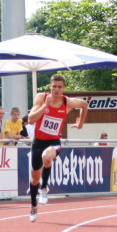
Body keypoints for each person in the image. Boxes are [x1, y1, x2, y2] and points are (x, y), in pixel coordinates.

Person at [28, 74, 88, 222]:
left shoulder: (67, 102)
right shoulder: (41, 98)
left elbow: (84, 104)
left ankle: (44, 188)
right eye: (54, 86)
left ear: (64, 88)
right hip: (38, 142)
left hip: (54, 141)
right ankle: (33, 206)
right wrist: (45, 106)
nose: (56, 89)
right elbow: (31, 119)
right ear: (50, 86)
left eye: (60, 87)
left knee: (47, 157)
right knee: (34, 178)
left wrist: (80, 124)